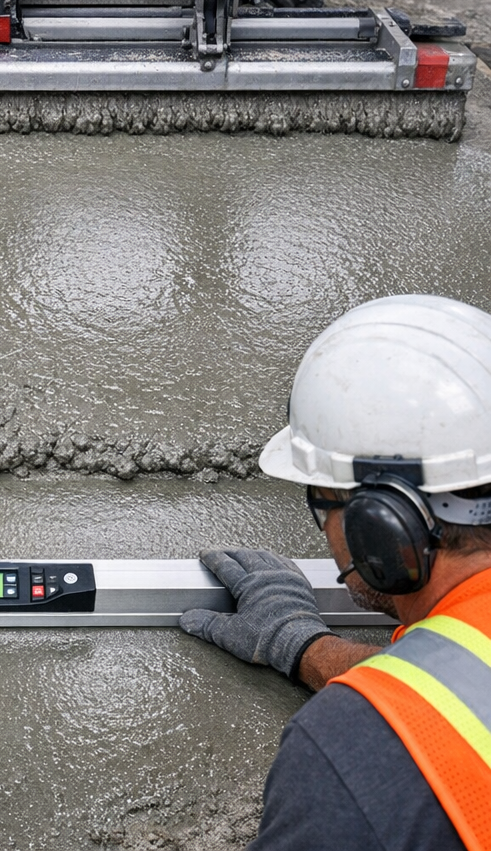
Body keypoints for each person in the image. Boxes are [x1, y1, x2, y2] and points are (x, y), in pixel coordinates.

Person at [179, 294, 491, 851]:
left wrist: (363, 709)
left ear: (382, 524)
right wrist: (304, 648)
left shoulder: (351, 757)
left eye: (321, 503)